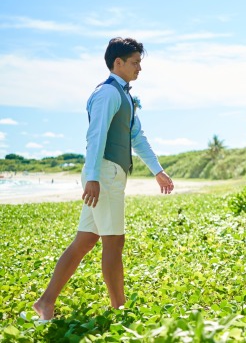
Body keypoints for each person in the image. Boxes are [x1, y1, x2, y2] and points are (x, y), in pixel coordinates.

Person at [32, 37, 174, 321]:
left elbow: (137, 137)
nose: (139, 69)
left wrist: (157, 170)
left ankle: (46, 302)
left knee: (85, 241)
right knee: (114, 242)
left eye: (140, 63)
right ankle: (119, 310)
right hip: (105, 173)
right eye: (135, 63)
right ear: (117, 62)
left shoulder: (126, 97)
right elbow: (95, 136)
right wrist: (93, 177)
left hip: (110, 174)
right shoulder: (107, 94)